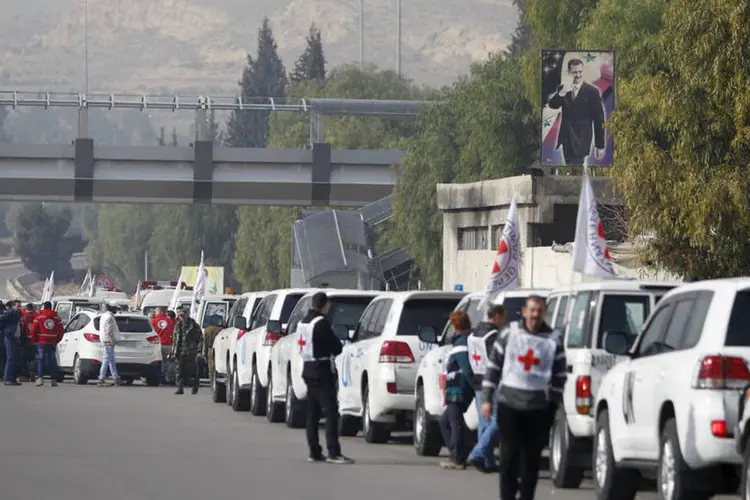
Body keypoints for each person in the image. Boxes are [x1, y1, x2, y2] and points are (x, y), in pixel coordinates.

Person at [481, 296, 566, 500]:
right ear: (524, 311)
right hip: (509, 404)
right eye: (532, 310)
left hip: (538, 408)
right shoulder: (510, 333)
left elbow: (560, 374)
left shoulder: (553, 338)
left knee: (531, 461)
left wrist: (552, 402)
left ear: (544, 313)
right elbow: (494, 366)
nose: (535, 314)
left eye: (539, 310)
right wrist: (486, 398)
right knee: (509, 457)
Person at [300, 291, 353, 464]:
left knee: (313, 413)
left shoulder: (304, 322)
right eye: (328, 305)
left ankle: (314, 451)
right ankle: (333, 452)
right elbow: (336, 347)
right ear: (324, 305)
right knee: (331, 412)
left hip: (307, 368)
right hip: (321, 371)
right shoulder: (321, 323)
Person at [467, 304, 507, 473]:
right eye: (503, 317)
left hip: (477, 381)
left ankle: (487, 461)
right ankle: (478, 453)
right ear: (496, 316)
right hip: (491, 383)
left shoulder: (473, 333)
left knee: (485, 422)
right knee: (499, 419)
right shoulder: (493, 335)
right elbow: (497, 361)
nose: (504, 321)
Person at [548, 58, 606, 166]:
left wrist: (600, 146)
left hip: (581, 140)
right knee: (571, 168)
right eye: (575, 72)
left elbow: (599, 120)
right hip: (566, 139)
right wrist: (561, 94)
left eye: (580, 72)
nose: (578, 75)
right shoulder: (563, 88)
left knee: (575, 168)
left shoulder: (592, 92)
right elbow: (552, 105)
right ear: (570, 72)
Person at [439, 310, 475, 470]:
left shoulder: (461, 344)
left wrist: (475, 386)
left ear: (455, 325)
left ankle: (457, 458)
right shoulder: (463, 341)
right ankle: (460, 452)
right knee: (446, 421)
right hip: (456, 388)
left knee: (454, 423)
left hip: (458, 390)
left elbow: (466, 369)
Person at [29, 301, 64, 386]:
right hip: (52, 341)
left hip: (41, 341)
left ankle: (40, 378)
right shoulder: (57, 318)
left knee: (41, 360)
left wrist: (34, 340)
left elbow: (33, 330)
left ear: (44, 307)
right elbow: (61, 331)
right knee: (52, 360)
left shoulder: (39, 317)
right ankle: (53, 380)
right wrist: (57, 339)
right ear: (51, 307)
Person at [171, 307, 202, 395]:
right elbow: (175, 339)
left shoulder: (194, 325)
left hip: (191, 351)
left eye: (183, 315)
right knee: (179, 370)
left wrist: (199, 350)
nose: (181, 317)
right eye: (180, 315)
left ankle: (195, 386)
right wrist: (173, 351)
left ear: (187, 315)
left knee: (192, 371)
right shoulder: (177, 325)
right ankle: (180, 388)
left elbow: (200, 339)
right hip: (179, 351)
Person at [98, 303, 122, 387]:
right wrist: (113, 340)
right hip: (109, 341)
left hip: (106, 340)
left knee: (111, 360)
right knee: (106, 359)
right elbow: (108, 331)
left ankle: (116, 378)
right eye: (116, 308)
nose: (116, 310)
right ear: (112, 308)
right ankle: (101, 379)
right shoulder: (109, 317)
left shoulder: (104, 315)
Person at [0, 300, 23, 385]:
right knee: (10, 358)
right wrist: (6, 331)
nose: (19, 308)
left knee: (15, 358)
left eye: (20, 306)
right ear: (13, 306)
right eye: (18, 306)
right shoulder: (10, 312)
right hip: (10, 337)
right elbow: (2, 320)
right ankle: (7, 378)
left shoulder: (17, 313)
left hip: (15, 337)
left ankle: (12, 378)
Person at [151, 307, 174, 382]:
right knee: (167, 362)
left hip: (157, 345)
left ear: (159, 312)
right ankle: (166, 378)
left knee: (157, 362)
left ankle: (159, 377)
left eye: (156, 311)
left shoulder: (153, 321)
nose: (155, 313)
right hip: (168, 344)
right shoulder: (169, 321)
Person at [202, 315, 224, 382]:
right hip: (220, 349)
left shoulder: (207, 330)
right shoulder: (222, 330)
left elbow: (204, 342)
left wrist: (204, 353)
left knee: (211, 367)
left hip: (210, 349)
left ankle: (212, 380)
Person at [19, 303, 37, 381]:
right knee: (32, 358)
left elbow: (22, 329)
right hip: (35, 339)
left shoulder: (23, 318)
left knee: (24, 358)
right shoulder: (37, 317)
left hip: (26, 339)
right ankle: (33, 372)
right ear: (32, 308)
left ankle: (25, 375)